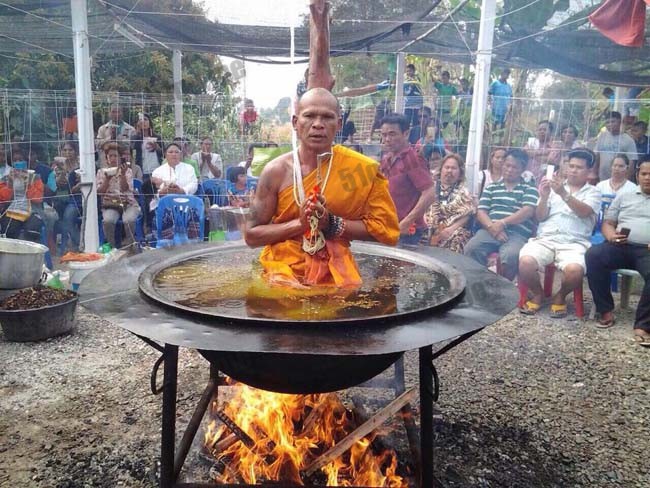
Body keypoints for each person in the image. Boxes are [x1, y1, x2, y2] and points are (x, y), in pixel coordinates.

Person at [245, 88, 400, 288]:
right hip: (282, 273)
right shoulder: (275, 172)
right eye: (309, 116)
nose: (318, 124)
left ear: (339, 124)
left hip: (336, 273)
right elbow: (251, 236)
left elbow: (386, 231)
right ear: (295, 122)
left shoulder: (360, 170)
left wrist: (331, 223)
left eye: (327, 117)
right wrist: (300, 225)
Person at [518, 149, 601, 317]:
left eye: (579, 167)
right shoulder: (552, 187)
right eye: (571, 166)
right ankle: (538, 293)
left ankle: (560, 295)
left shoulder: (593, 192)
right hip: (546, 239)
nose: (573, 170)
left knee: (575, 271)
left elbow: (584, 212)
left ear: (588, 171)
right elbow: (540, 217)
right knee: (525, 262)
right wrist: (544, 196)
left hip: (574, 243)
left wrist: (563, 194)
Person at [586, 160, 650, 345]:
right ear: (637, 175)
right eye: (644, 174)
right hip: (620, 245)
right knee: (594, 255)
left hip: (646, 250)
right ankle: (605, 310)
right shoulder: (625, 196)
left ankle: (643, 326)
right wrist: (612, 236)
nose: (648, 178)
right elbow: (608, 222)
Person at [464, 149, 538, 281]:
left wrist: (502, 223)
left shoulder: (529, 188)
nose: (509, 169)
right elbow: (481, 211)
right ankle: (478, 283)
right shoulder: (492, 187)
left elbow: (527, 211)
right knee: (472, 248)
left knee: (510, 256)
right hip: (490, 230)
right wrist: (493, 228)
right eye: (507, 165)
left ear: (522, 169)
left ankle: (502, 288)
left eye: (514, 167)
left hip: (517, 234)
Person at [379, 112, 435, 246]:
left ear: (406, 134)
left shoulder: (412, 158)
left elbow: (429, 193)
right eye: (384, 135)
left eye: (392, 134)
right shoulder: (386, 159)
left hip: (408, 233)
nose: (387, 139)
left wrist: (407, 222)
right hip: (388, 227)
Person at [424, 154, 475, 252]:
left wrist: (450, 229)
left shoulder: (464, 192)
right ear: (441, 169)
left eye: (453, 168)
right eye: (447, 167)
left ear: (460, 172)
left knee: (458, 239)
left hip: (452, 230)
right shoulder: (430, 187)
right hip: (428, 227)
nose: (449, 171)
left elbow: (467, 215)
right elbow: (421, 207)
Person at [96, 143, 140, 249]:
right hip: (111, 204)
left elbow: (125, 189)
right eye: (110, 156)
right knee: (108, 221)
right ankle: (111, 247)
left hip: (128, 203)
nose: (113, 158)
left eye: (115, 156)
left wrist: (123, 175)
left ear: (120, 158)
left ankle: (131, 246)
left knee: (128, 220)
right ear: (106, 158)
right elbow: (100, 192)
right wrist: (107, 179)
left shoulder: (127, 171)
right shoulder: (101, 172)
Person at [0, 160, 44, 243]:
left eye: (22, 170)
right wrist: (10, 184)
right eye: (17, 170)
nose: (19, 173)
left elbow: (38, 199)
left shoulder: (35, 178)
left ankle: (30, 252)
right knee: (8, 230)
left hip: (33, 211)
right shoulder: (6, 179)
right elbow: (3, 199)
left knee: (32, 231)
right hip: (11, 210)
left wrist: (28, 185)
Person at [593, 111, 637, 182]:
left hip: (620, 179)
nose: (609, 124)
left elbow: (632, 162)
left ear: (620, 122)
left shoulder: (628, 140)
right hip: (602, 178)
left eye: (613, 122)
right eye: (607, 122)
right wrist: (594, 173)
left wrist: (627, 180)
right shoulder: (602, 136)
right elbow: (597, 156)